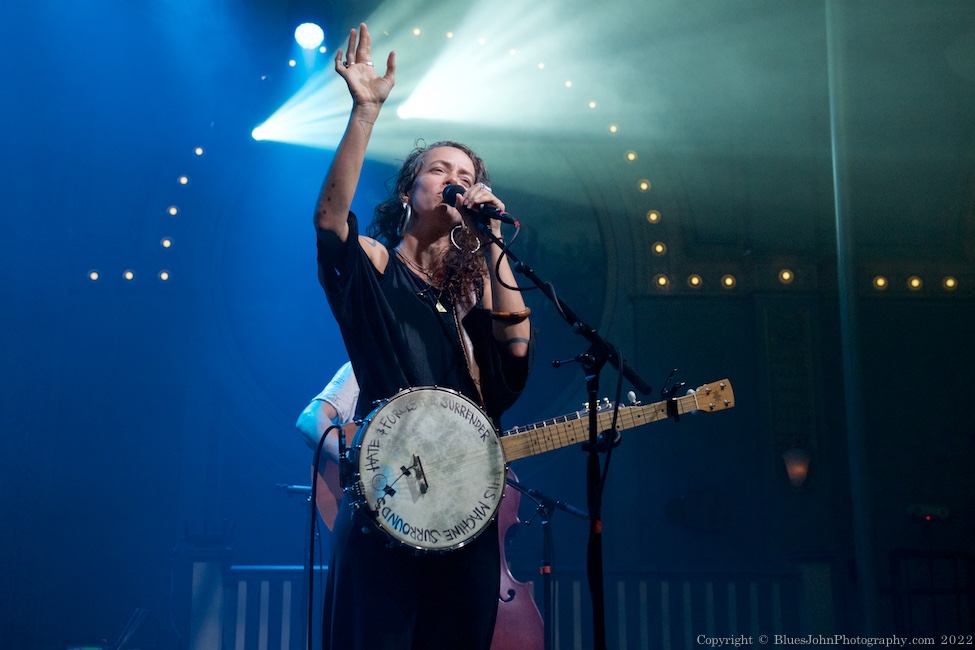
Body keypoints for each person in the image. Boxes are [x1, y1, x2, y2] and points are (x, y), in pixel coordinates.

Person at [311, 22, 535, 649]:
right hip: (389, 508)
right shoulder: (379, 269)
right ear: (409, 191)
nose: (454, 179)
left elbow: (515, 357)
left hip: (464, 517)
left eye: (465, 172)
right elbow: (331, 223)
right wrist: (366, 112)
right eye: (438, 170)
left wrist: (491, 238)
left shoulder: (469, 298)